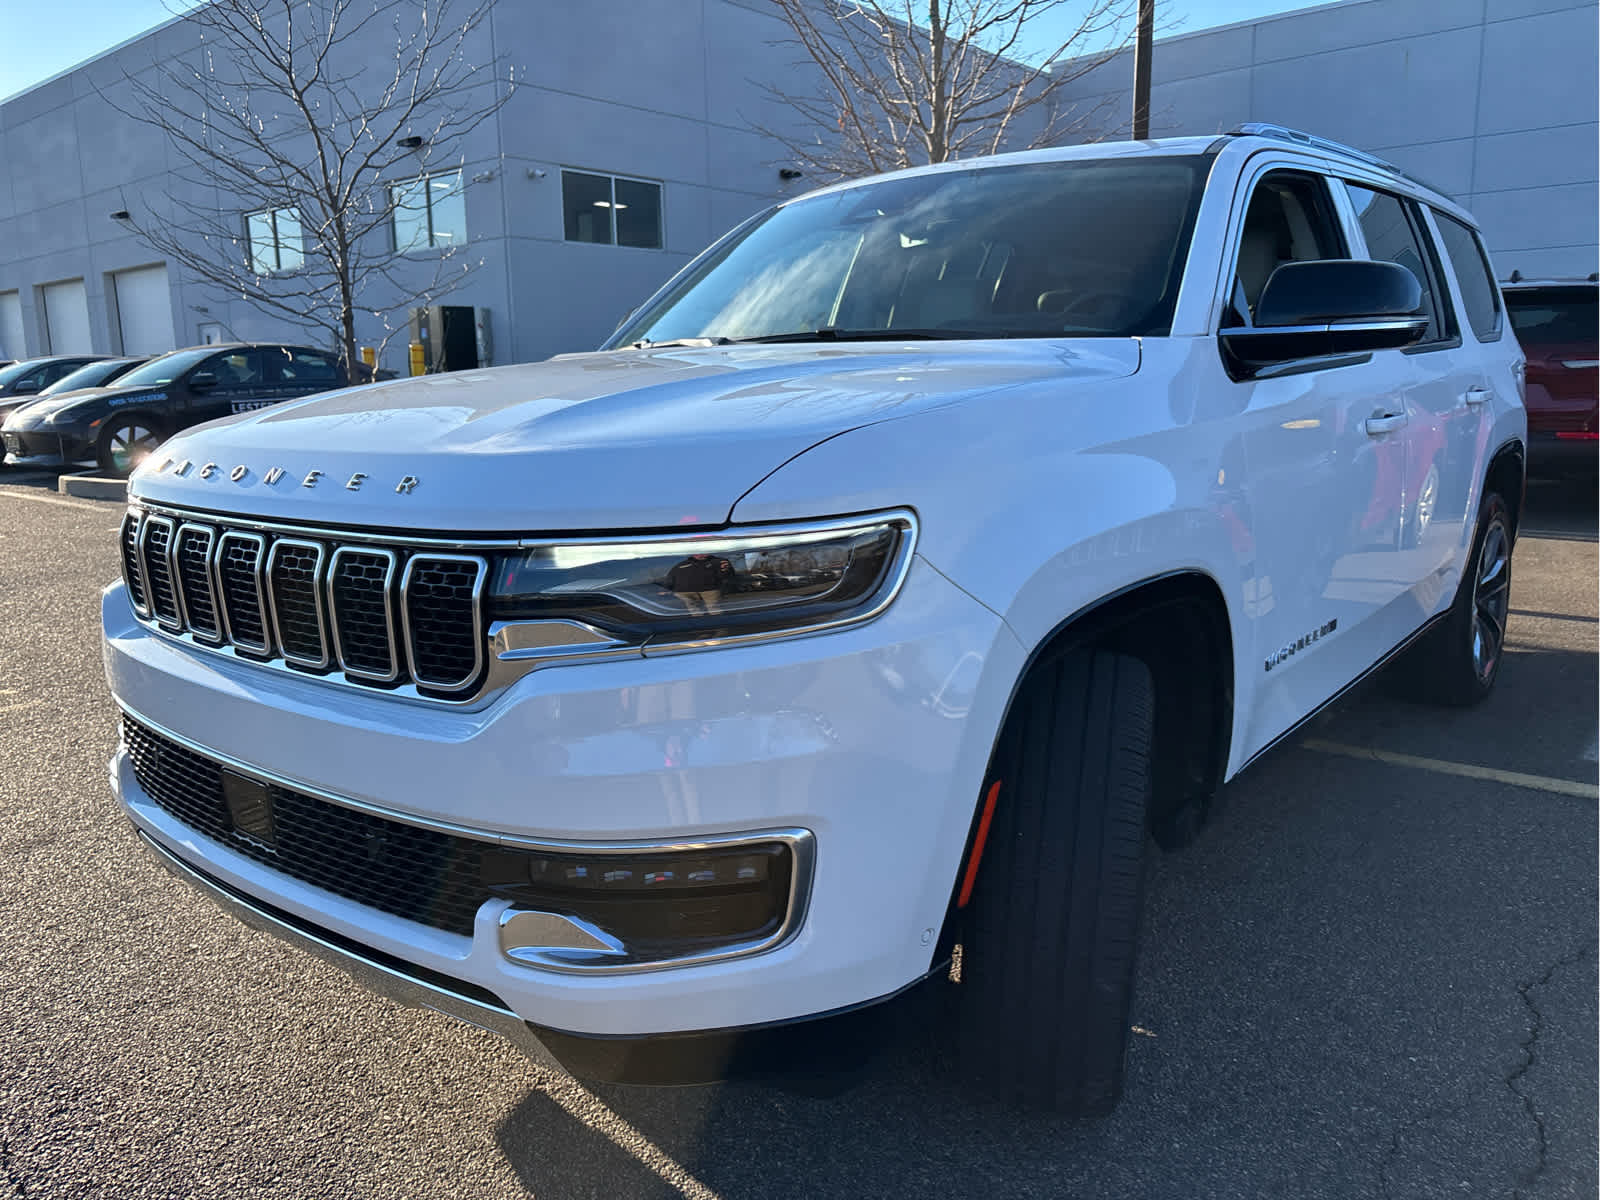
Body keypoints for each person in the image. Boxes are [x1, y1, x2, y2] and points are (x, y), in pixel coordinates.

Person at [666, 553, 733, 615]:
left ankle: (718, 623)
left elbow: (728, 576)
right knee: (694, 611)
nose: (699, 554)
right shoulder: (680, 564)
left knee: (715, 610)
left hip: (710, 590)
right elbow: (670, 578)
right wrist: (665, 589)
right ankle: (698, 622)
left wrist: (725, 570)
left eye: (702, 552)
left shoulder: (718, 561)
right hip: (684, 592)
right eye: (696, 553)